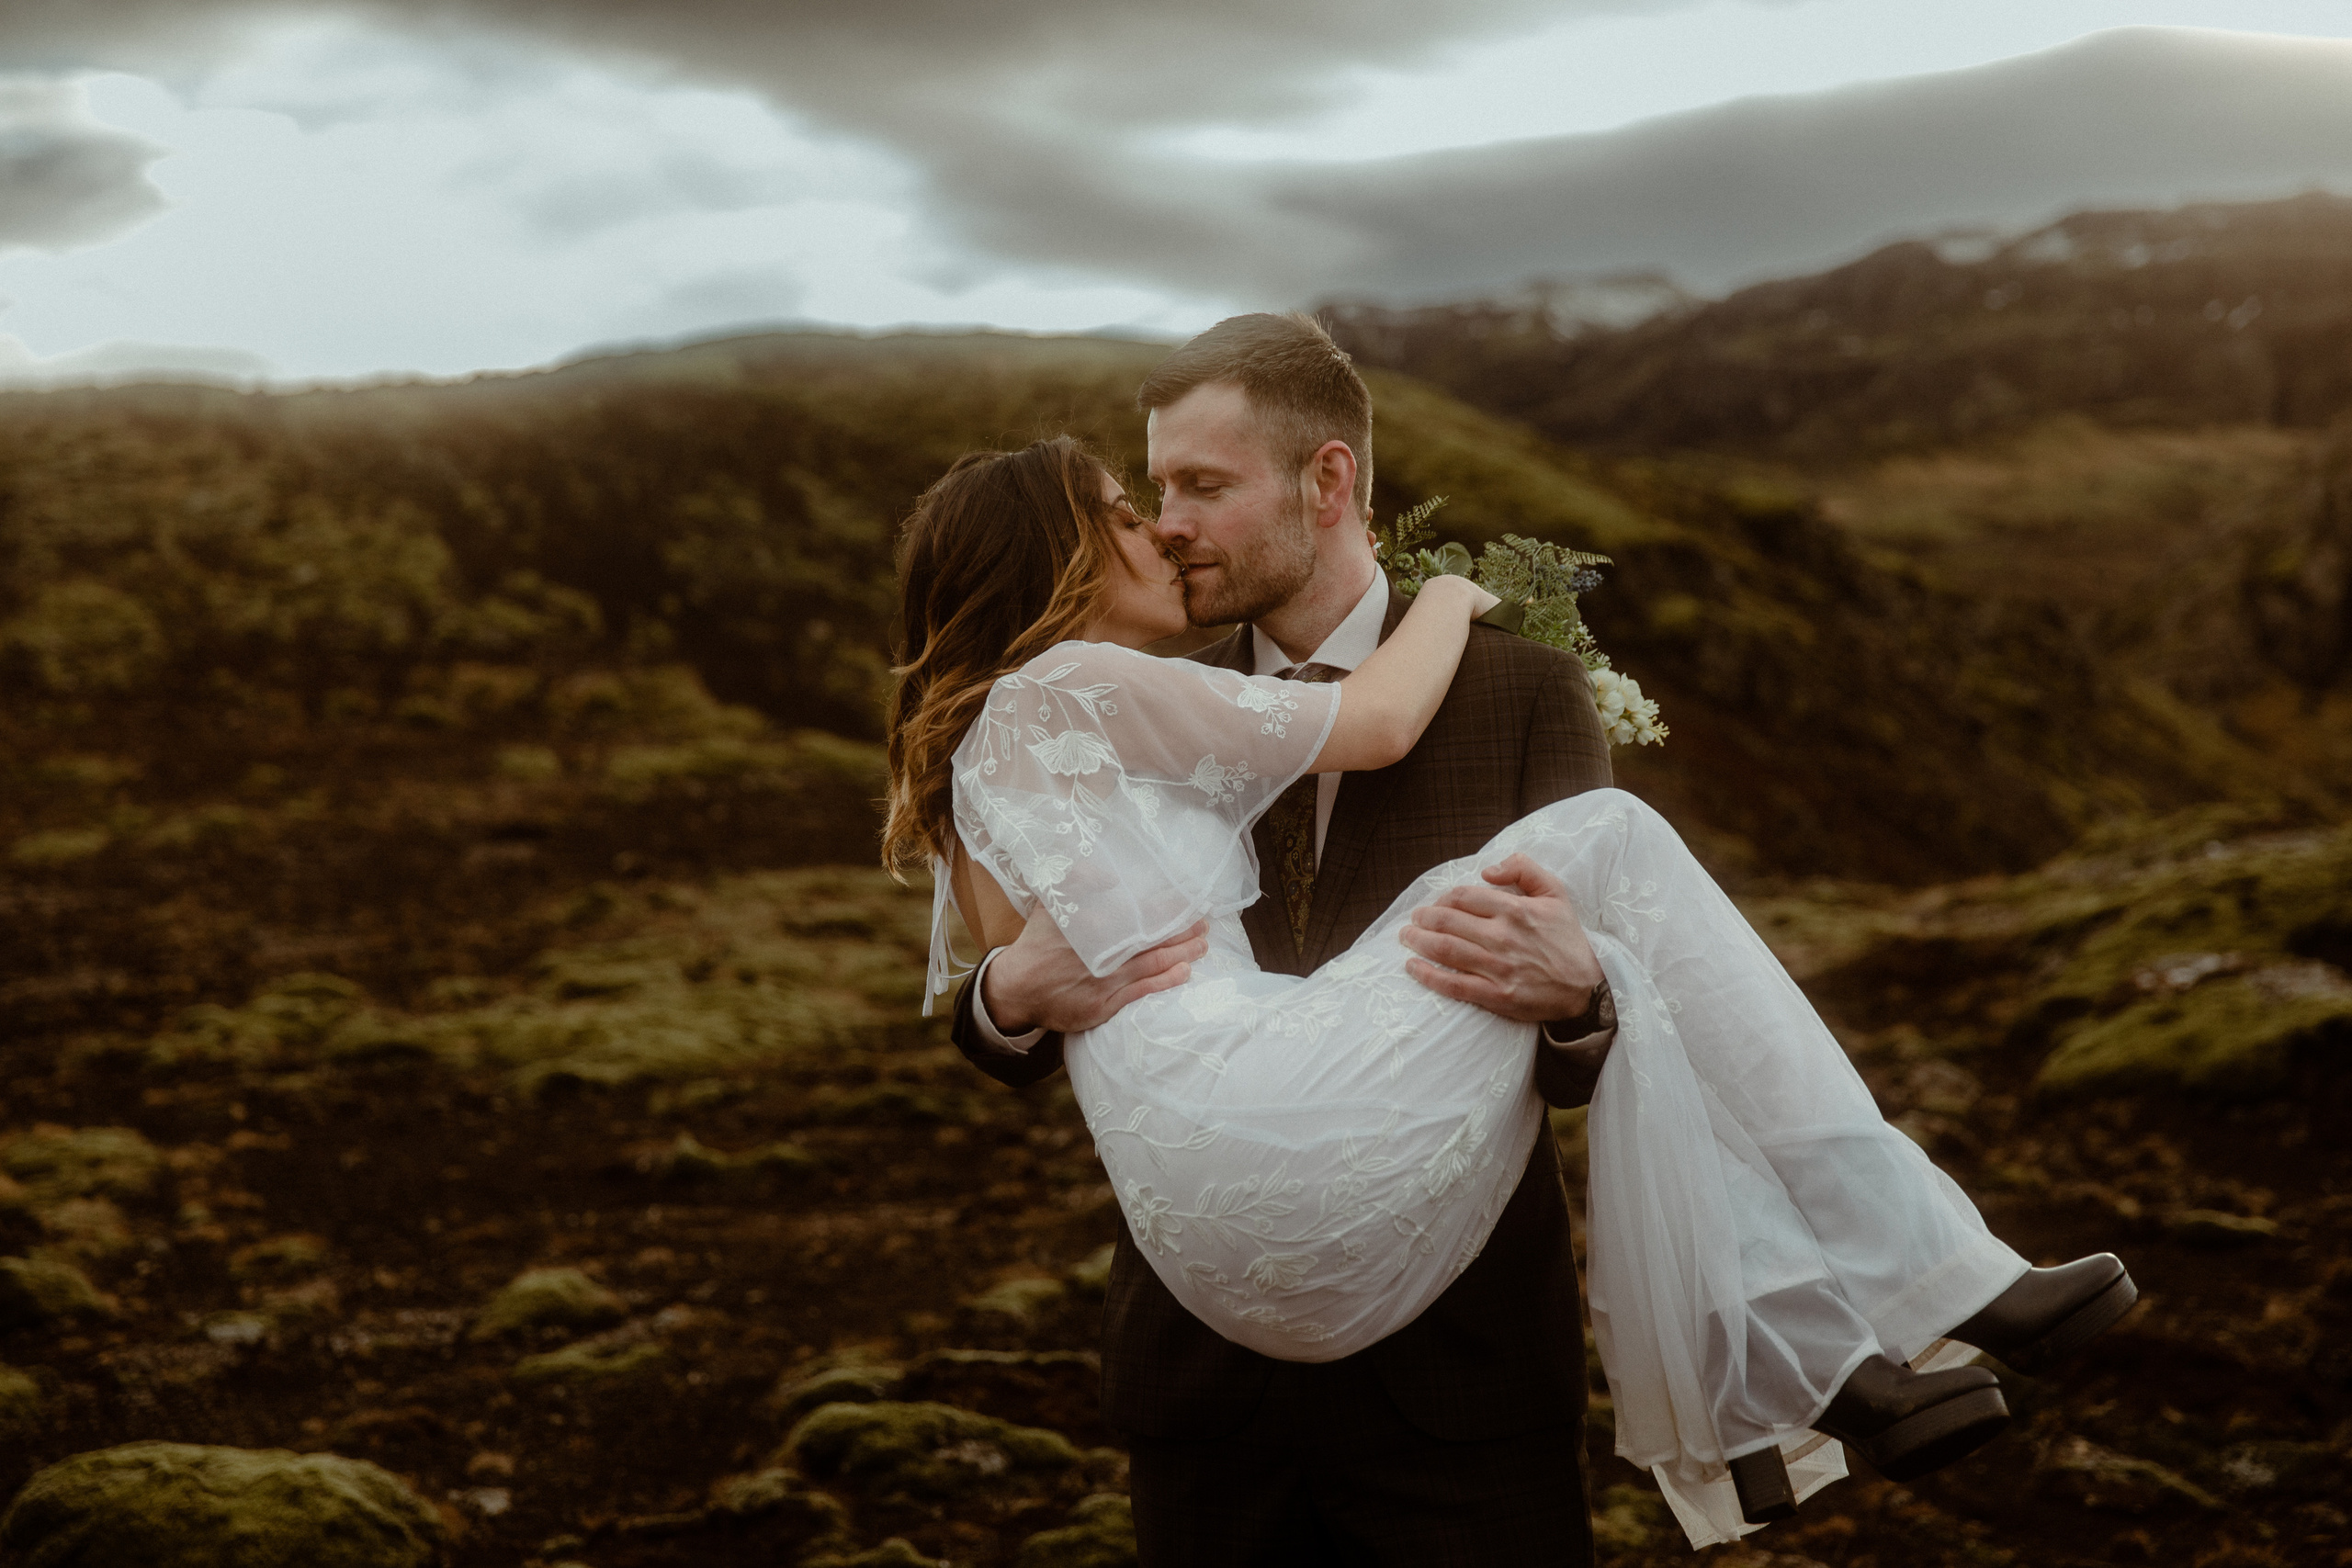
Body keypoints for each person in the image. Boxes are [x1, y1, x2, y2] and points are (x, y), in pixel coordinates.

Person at [890, 314, 2135, 1562]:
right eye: (1148, 493)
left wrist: (1585, 992)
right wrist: (1001, 994)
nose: (1167, 523)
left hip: (1458, 1390)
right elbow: (1037, 988)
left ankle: (1853, 1337)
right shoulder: (1138, 688)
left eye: (1200, 487)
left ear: (1327, 481)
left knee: (1615, 908)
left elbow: (1581, 1065)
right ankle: (1886, 1300)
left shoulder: (1525, 695)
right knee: (1621, 839)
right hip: (1208, 1383)